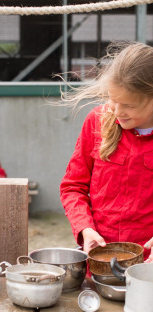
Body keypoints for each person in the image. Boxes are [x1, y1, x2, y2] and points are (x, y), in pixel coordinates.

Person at [60, 41, 153, 263]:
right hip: (100, 261)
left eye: (129, 105)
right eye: (113, 99)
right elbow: (73, 186)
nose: (117, 111)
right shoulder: (96, 121)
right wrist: (84, 228)